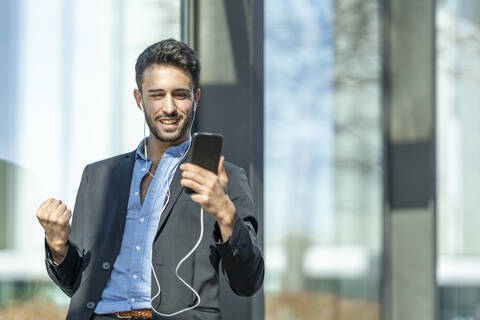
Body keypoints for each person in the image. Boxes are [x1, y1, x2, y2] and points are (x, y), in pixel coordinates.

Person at [36, 39, 264, 320]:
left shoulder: (223, 178)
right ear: (138, 99)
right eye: (157, 95)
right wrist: (58, 246)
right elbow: (76, 285)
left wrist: (226, 216)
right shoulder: (97, 177)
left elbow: (248, 283)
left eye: (180, 94)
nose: (169, 107)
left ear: (196, 98)